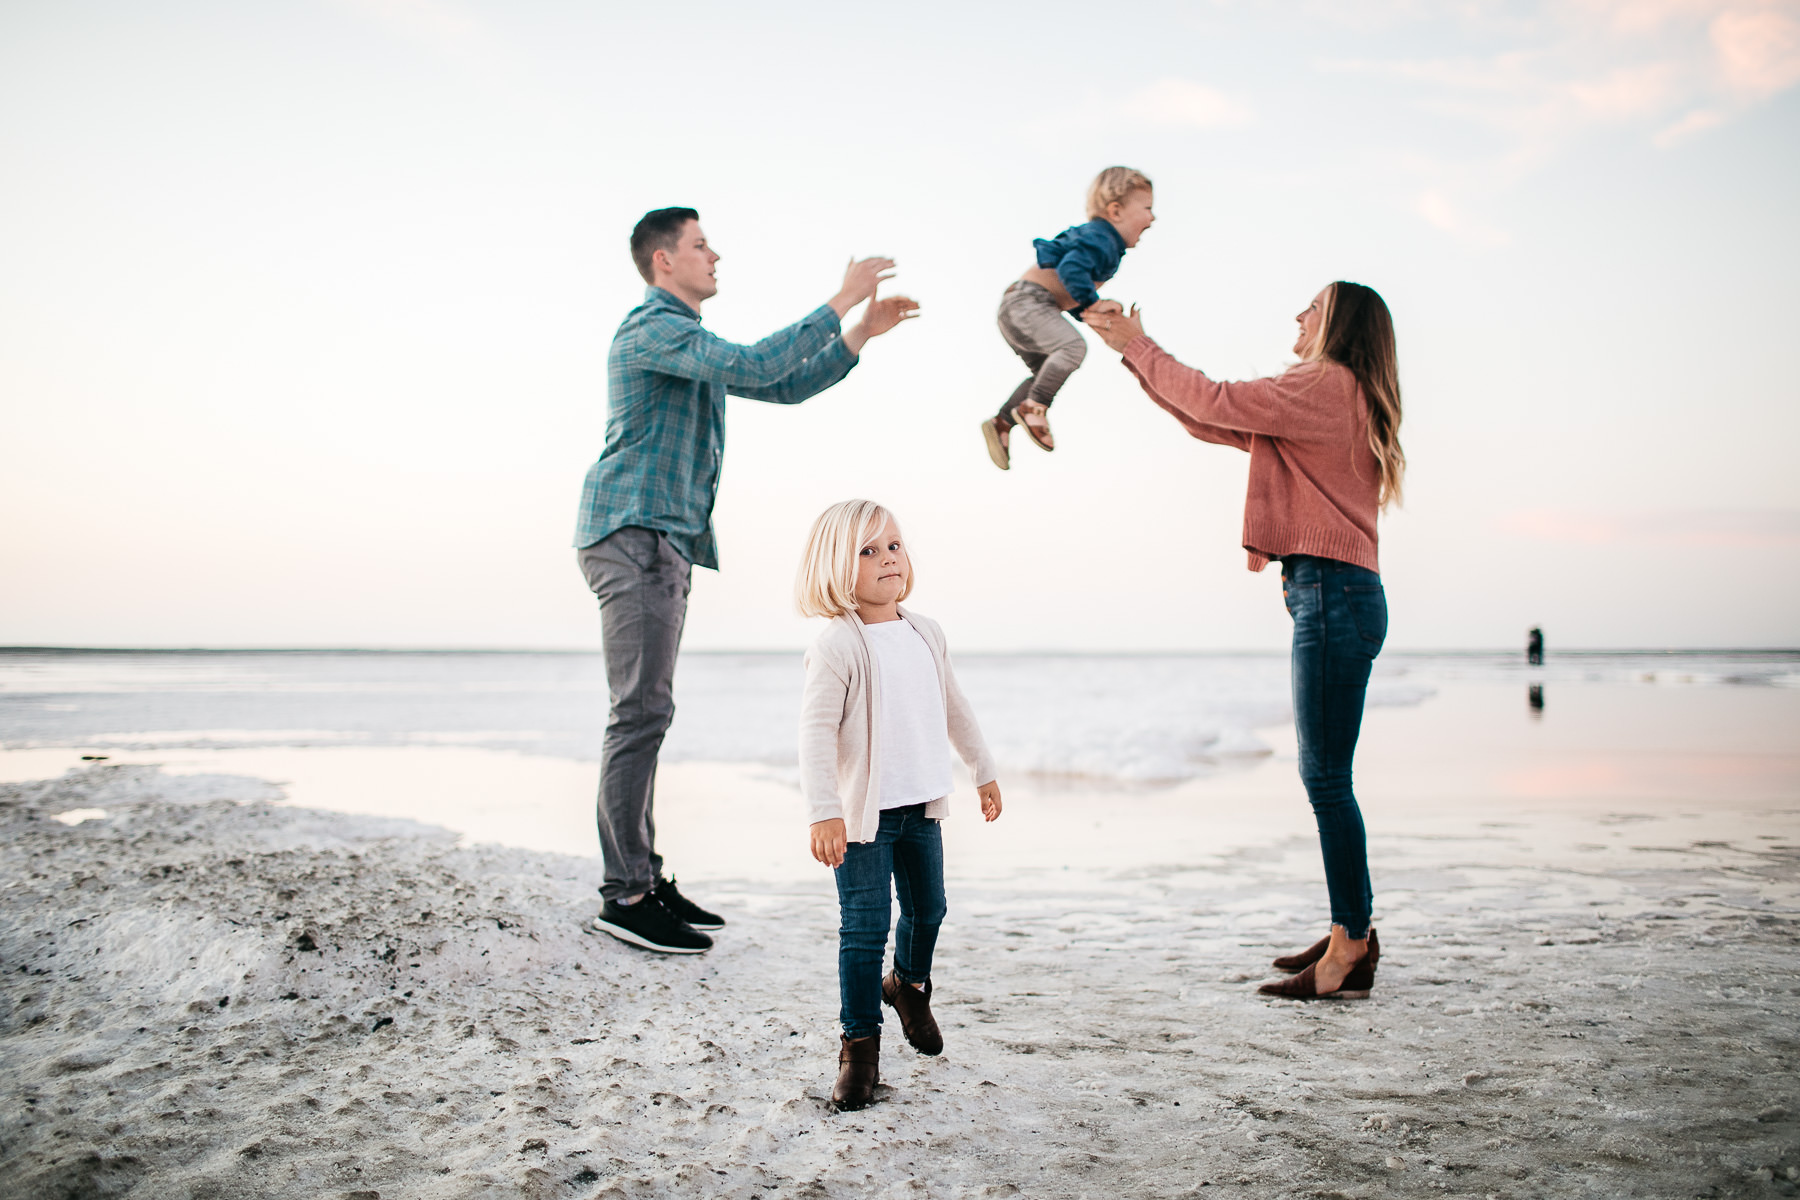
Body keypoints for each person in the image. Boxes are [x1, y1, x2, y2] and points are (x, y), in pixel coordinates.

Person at [575, 208, 920, 955]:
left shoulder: (688, 344)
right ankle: (625, 893)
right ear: (664, 261)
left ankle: (642, 874)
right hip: (634, 530)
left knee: (649, 710)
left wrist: (859, 333)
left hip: (659, 536)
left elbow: (784, 387)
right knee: (638, 712)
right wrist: (841, 297)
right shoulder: (651, 330)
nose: (715, 253)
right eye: (701, 244)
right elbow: (763, 364)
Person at [1087, 281, 1405, 1000]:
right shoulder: (1334, 393)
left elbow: (1218, 400)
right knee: (1328, 779)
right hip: (1336, 592)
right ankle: (1350, 929)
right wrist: (1131, 355)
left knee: (1326, 781)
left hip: (1333, 592)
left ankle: (1351, 944)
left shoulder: (1325, 382)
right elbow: (1209, 422)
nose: (1297, 316)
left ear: (1339, 325)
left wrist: (1136, 345)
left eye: (1313, 307)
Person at [794, 500, 1003, 1111]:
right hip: (863, 819)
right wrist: (822, 810)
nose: (888, 559)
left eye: (894, 546)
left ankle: (909, 985)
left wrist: (983, 769)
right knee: (863, 930)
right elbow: (813, 732)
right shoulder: (837, 645)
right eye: (867, 550)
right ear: (836, 567)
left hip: (922, 808)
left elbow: (954, 706)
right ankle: (859, 1047)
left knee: (929, 910)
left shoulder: (925, 632)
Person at [980, 167, 1155, 470]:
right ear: (1115, 211)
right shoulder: (1103, 238)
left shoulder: (1101, 241)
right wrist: (1094, 302)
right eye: (1148, 208)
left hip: (1024, 306)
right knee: (1073, 348)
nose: (1153, 218)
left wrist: (1088, 311)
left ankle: (1002, 422)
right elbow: (1071, 271)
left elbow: (1069, 285)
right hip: (1030, 303)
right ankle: (1035, 407)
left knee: (1046, 371)